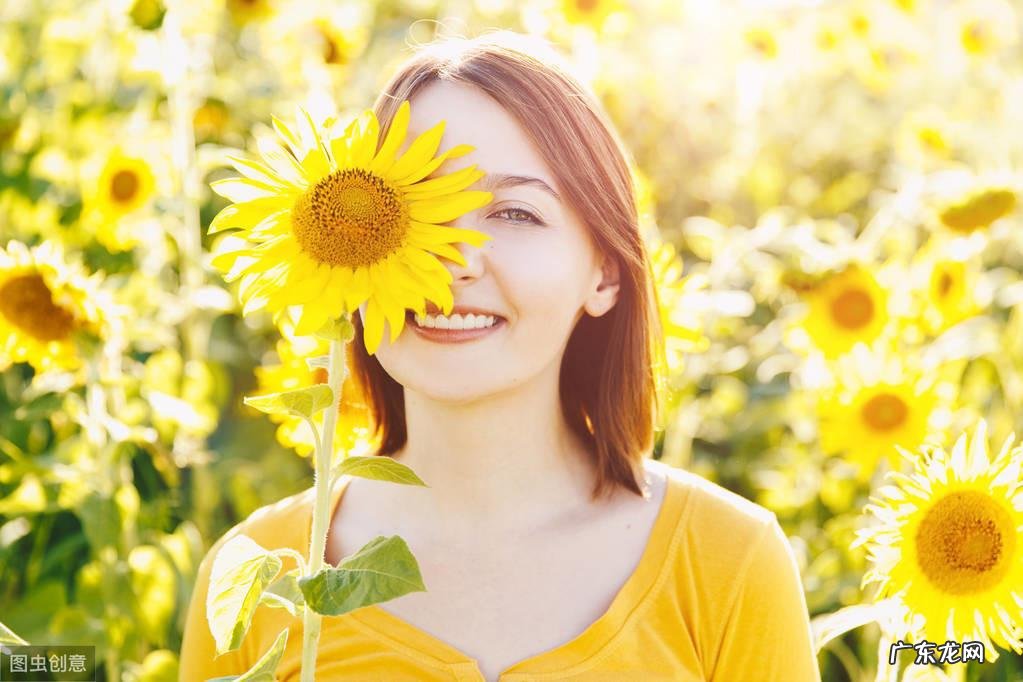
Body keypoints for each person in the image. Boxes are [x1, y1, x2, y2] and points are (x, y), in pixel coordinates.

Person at [179, 29, 822, 682]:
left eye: (515, 213)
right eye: (412, 206)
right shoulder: (253, 578)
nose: (451, 260)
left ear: (605, 272)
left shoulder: (727, 562)